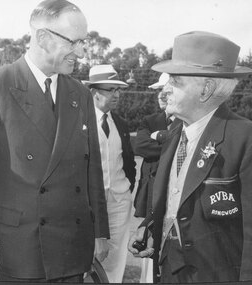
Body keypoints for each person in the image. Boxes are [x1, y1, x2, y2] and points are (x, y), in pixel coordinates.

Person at [0, 0, 109, 282]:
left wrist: (99, 230)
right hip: (16, 249)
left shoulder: (80, 93)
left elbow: (92, 170)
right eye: (74, 42)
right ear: (42, 37)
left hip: (72, 249)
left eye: (84, 43)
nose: (83, 53)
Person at [128, 31, 252, 283]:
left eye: (175, 81)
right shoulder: (175, 133)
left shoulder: (244, 138)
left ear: (206, 89)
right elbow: (176, 199)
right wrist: (151, 228)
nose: (166, 89)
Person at [83, 64, 136, 283]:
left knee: (115, 256)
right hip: (88, 203)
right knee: (87, 253)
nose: (117, 95)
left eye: (118, 90)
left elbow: (129, 163)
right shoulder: (79, 123)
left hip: (118, 201)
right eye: (111, 89)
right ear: (94, 92)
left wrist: (125, 188)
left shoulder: (121, 124)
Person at [134, 73, 181, 283]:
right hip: (153, 193)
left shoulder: (186, 120)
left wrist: (161, 138)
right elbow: (141, 146)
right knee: (148, 254)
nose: (161, 95)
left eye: (166, 90)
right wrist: (172, 142)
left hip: (175, 196)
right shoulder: (150, 120)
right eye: (157, 91)